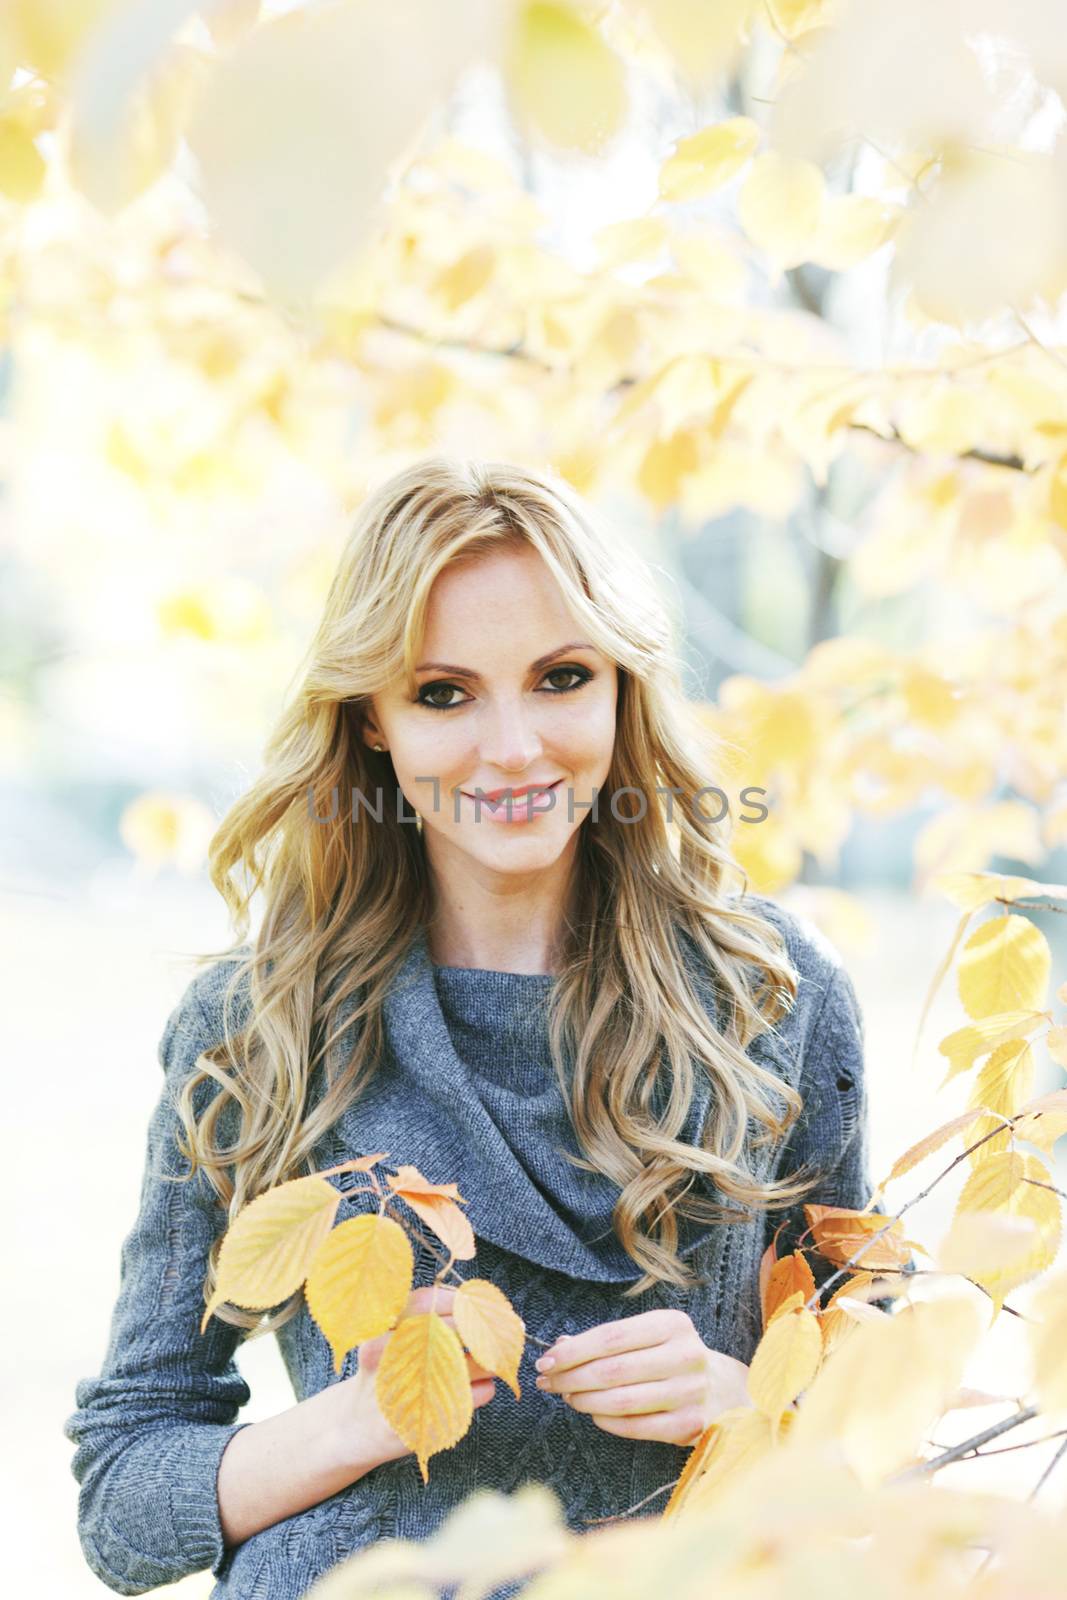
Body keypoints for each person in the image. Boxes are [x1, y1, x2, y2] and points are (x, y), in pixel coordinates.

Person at [63, 456, 897, 1600]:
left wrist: (753, 1407)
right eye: (443, 692)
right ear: (369, 721)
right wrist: (361, 1420)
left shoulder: (770, 992)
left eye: (559, 677)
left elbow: (885, 1421)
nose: (511, 748)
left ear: (621, 688)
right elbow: (123, 1498)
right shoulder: (253, 1027)